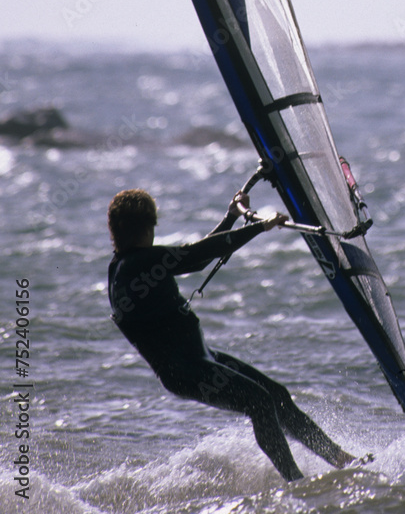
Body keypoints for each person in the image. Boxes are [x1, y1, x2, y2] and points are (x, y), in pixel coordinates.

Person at [107, 186, 355, 481]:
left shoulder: (129, 264)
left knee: (275, 395)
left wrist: (231, 217)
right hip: (185, 370)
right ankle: (296, 481)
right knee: (260, 402)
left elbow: (197, 258)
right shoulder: (135, 265)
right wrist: (258, 227)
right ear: (145, 228)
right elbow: (194, 254)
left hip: (199, 358)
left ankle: (339, 458)